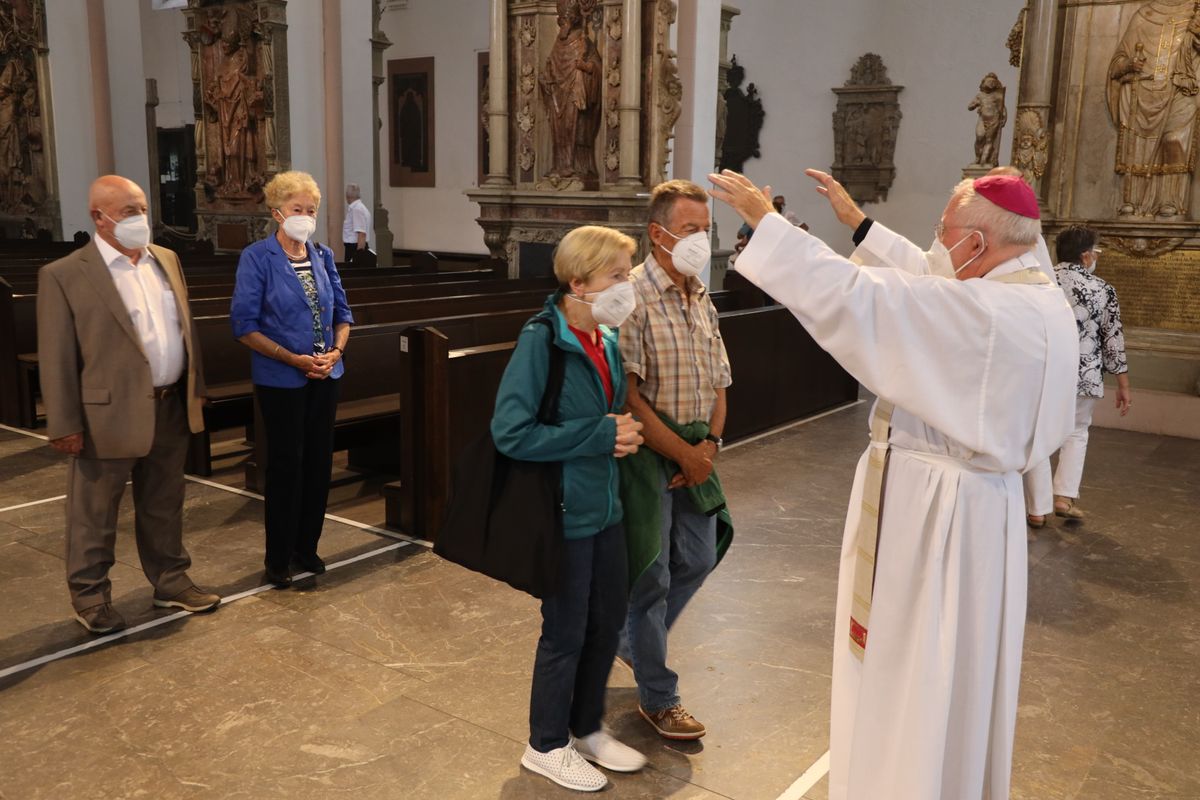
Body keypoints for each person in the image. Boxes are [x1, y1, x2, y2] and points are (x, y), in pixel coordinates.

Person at [709, 169, 1077, 800]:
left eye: (946, 231)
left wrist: (766, 225)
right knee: (957, 668)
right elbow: (923, 281)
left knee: (915, 665)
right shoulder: (1037, 299)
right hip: (984, 509)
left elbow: (869, 297)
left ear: (980, 244)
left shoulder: (985, 312)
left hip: (935, 511)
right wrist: (857, 224)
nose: (938, 242)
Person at [491, 225, 647, 792]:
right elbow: (510, 433)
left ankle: (585, 728)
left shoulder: (604, 339)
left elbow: (603, 425)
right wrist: (598, 436)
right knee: (565, 632)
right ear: (578, 282)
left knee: (606, 623)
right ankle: (546, 743)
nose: (626, 287)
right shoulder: (542, 340)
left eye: (627, 275)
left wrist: (617, 437)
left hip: (604, 507)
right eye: (617, 276)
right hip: (562, 512)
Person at [37, 175, 220, 634]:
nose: (140, 219)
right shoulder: (65, 274)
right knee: (94, 513)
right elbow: (56, 355)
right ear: (99, 218)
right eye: (128, 212)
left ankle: (170, 580)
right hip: (104, 415)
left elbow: (183, 327)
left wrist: (194, 385)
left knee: (164, 501)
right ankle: (91, 595)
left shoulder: (166, 259)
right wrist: (63, 423)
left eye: (142, 208)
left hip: (168, 404)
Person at [618, 179, 734, 741]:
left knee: (698, 556)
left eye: (706, 231)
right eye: (691, 231)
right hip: (650, 456)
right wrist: (684, 453)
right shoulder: (633, 295)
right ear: (658, 233)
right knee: (653, 578)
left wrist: (708, 448)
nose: (701, 242)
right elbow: (630, 395)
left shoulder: (700, 295)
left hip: (696, 453)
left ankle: (627, 641)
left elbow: (720, 382)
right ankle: (659, 697)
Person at [230, 171, 352, 589]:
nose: (305, 216)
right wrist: (292, 359)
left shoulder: (323, 255)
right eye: (297, 209)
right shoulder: (257, 257)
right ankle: (278, 556)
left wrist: (335, 352)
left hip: (325, 374)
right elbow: (244, 325)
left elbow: (343, 314)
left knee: (319, 464)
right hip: (281, 378)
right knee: (286, 467)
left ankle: (307, 547)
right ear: (277, 212)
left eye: (311, 210)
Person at [1024, 225, 1132, 526]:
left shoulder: (1041, 280)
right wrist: (1123, 383)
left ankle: (1037, 508)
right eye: (1096, 251)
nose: (1097, 256)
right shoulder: (1103, 289)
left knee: (1038, 435)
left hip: (1045, 370)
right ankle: (1064, 497)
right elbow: (1113, 338)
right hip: (1084, 374)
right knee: (1077, 432)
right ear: (1086, 256)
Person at [828, 164, 1056, 281]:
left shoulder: (1027, 256)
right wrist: (857, 221)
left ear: (977, 244)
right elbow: (926, 268)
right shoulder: (969, 230)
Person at [341, 183, 371, 264]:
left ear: (347, 196)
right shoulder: (359, 208)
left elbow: (361, 234)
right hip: (355, 248)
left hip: (355, 249)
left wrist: (358, 256)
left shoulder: (356, 209)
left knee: (352, 273)